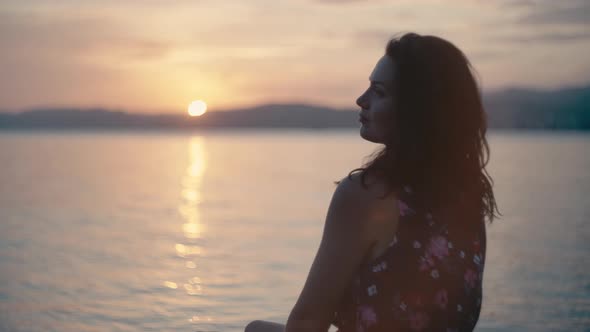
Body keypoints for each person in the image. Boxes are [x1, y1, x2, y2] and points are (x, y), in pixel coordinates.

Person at [245, 32, 499, 332]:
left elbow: (307, 324)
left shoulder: (365, 196)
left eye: (378, 92)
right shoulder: (467, 197)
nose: (361, 100)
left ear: (415, 108)